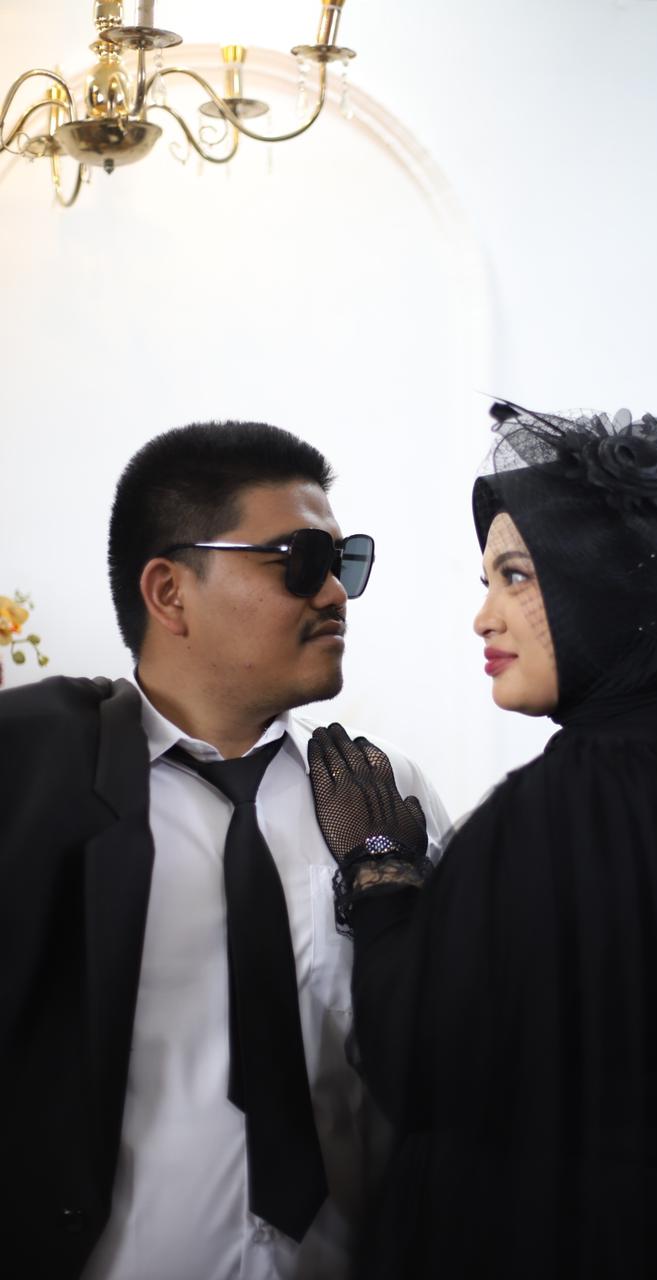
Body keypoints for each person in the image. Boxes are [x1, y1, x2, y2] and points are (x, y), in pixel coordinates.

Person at [308, 403, 657, 1279]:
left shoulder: (575, 801)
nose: (484, 619)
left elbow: (423, 1064)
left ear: (613, 589)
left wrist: (381, 868)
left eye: (516, 576)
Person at [0, 420, 449, 1280]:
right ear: (170, 593)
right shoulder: (44, 796)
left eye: (344, 562)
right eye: (300, 562)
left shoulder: (384, 798)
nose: (336, 595)